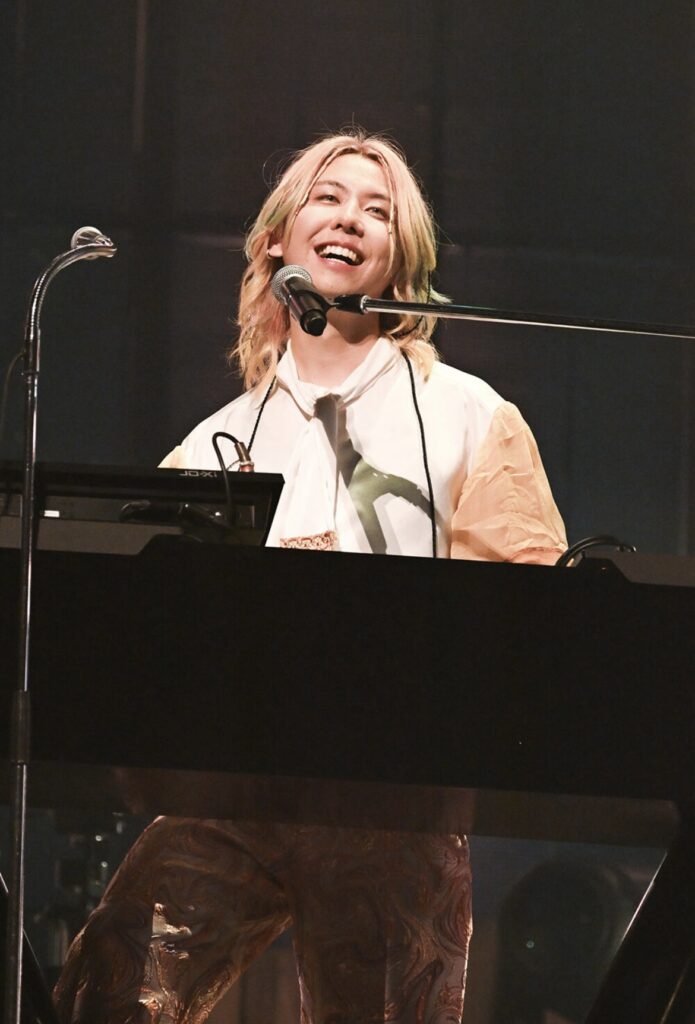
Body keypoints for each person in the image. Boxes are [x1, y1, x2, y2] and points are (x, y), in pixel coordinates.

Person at [53, 129, 567, 1024]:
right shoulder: (214, 442)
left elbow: (529, 603)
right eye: (328, 198)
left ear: (401, 259)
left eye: (378, 210)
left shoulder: (467, 415)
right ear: (276, 240)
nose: (350, 218)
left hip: (393, 797)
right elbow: (150, 626)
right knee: (110, 988)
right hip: (234, 790)